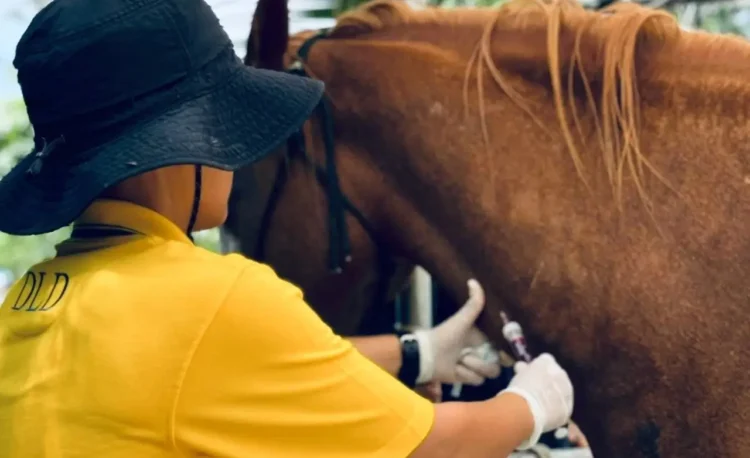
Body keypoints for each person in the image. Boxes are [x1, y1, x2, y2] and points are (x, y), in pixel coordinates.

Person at [0, 0, 575, 457]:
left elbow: (230, 370)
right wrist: (531, 405)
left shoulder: (28, 306)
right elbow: (426, 448)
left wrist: (415, 352)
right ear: (177, 148)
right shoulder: (212, 300)